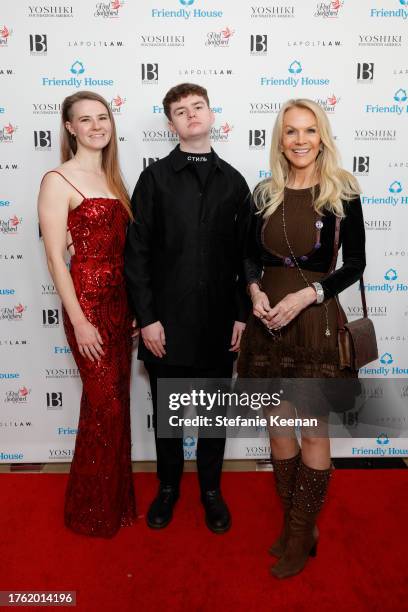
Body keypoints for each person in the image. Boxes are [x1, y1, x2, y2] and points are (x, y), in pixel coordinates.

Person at [237, 98, 366, 577]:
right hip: (267, 324)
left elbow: (354, 264)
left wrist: (310, 294)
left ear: (322, 136)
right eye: (290, 131)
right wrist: (253, 292)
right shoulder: (262, 192)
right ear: (280, 138)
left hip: (315, 323)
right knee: (277, 431)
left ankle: (299, 531)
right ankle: (298, 526)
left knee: (313, 432)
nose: (300, 140)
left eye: (309, 131)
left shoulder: (342, 192)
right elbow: (248, 256)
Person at [125, 83, 251, 533]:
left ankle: (211, 492)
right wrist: (148, 318)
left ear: (211, 114)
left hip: (219, 323)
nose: (191, 115)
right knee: (170, 417)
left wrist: (241, 314)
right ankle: (168, 487)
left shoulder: (235, 182)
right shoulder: (154, 179)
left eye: (198, 107)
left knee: (214, 415)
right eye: (181, 111)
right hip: (166, 325)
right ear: (171, 123)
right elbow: (136, 254)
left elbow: (245, 258)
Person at [38, 91, 136, 537]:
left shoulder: (115, 180)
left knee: (116, 408)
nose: (96, 126)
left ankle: (112, 505)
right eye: (85, 119)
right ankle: (89, 513)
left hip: (119, 306)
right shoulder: (58, 179)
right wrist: (78, 319)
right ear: (69, 128)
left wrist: (134, 308)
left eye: (103, 117)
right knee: (106, 405)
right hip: (88, 306)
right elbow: (57, 258)